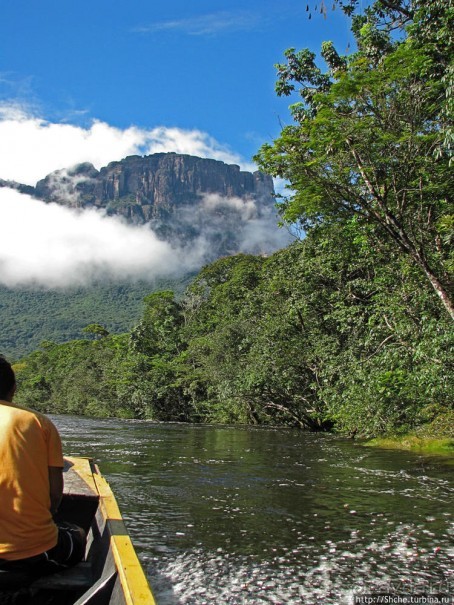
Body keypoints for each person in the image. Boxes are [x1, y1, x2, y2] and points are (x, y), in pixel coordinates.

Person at [0, 357, 86, 577]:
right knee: (78, 533)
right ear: (13, 389)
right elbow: (54, 496)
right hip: (25, 555)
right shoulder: (38, 422)